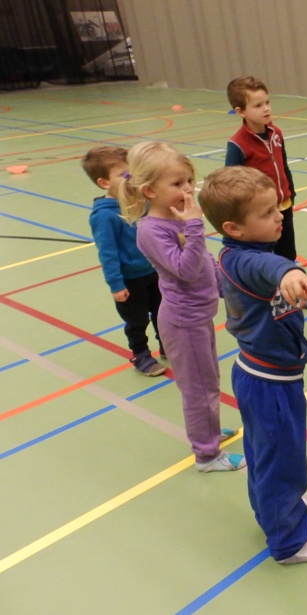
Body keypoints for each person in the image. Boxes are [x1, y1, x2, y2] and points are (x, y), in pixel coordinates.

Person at [198, 165, 307, 565]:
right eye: (266, 213)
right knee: (280, 460)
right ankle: (288, 542)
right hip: (269, 381)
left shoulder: (247, 250)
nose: (279, 216)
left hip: (264, 375)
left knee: (266, 454)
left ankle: (278, 508)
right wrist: (289, 270)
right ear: (234, 228)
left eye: (277, 208)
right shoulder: (246, 260)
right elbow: (268, 269)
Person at [119, 141, 244, 473]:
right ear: (149, 190)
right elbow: (185, 270)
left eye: (189, 180)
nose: (188, 189)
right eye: (177, 183)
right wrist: (195, 226)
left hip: (199, 316)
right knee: (198, 390)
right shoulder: (151, 230)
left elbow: (203, 261)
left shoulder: (179, 220)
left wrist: (226, 290)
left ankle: (210, 431)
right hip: (183, 323)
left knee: (209, 381)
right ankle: (206, 455)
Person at [225, 76, 307, 309]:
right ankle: (270, 298)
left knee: (287, 252)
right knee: (266, 256)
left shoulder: (276, 133)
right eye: (258, 105)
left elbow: (283, 165)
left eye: (267, 102)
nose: (266, 109)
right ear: (240, 111)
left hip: (283, 206)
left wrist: (290, 193)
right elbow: (230, 182)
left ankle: (293, 292)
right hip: (260, 214)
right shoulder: (237, 144)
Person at [82, 145, 165, 376]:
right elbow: (107, 253)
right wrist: (116, 285)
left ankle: (167, 344)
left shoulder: (141, 201)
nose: (132, 179)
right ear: (104, 183)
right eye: (125, 175)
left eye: (134, 173)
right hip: (130, 280)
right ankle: (141, 354)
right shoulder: (104, 215)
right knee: (137, 321)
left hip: (155, 271)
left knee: (163, 312)